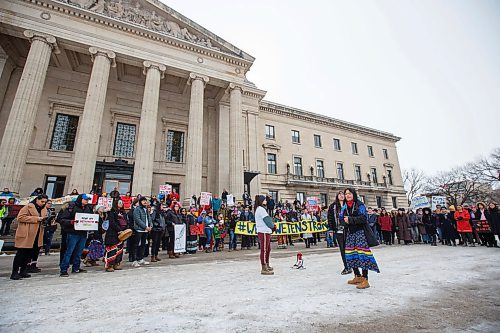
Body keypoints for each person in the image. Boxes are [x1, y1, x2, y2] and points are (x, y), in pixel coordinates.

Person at [340, 188, 380, 289]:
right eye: (346, 194)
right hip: (350, 233)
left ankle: (365, 279)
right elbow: (340, 219)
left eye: (349, 193)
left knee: (362, 254)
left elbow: (363, 218)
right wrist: (345, 221)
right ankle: (357, 276)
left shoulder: (360, 205)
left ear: (353, 194)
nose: (348, 195)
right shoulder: (344, 206)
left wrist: (350, 219)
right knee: (350, 254)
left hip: (360, 232)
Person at [10, 194, 48, 280]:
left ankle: (23, 270)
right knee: (21, 254)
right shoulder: (28, 207)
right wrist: (37, 219)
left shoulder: (44, 209)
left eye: (45, 202)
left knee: (29, 254)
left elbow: (43, 218)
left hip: (37, 234)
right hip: (26, 234)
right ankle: (14, 272)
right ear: (37, 200)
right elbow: (20, 218)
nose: (43, 203)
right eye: (42, 201)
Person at [59, 194, 93, 276]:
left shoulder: (88, 208)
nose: (86, 201)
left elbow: (91, 218)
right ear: (80, 199)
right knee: (69, 251)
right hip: (73, 233)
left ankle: (76, 267)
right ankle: (64, 269)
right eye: (85, 199)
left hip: (83, 233)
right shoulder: (72, 207)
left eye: (87, 199)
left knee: (79, 252)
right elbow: (62, 219)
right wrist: (70, 222)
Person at [327, 191, 351, 275]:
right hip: (338, 230)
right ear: (337, 196)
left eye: (342, 194)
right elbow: (329, 218)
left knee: (350, 248)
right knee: (342, 248)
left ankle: (352, 265)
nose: (341, 196)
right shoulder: (332, 206)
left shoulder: (348, 205)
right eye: (340, 194)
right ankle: (347, 266)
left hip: (348, 229)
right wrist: (330, 229)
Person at [104, 199, 129, 272]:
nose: (121, 204)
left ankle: (116, 263)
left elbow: (126, 221)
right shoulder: (111, 212)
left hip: (122, 233)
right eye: (119, 203)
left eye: (122, 203)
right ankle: (109, 265)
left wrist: (125, 229)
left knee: (119, 249)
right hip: (113, 233)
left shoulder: (123, 213)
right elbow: (112, 222)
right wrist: (119, 230)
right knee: (112, 249)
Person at [254, 195, 275, 275]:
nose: (266, 201)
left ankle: (267, 264)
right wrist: (273, 226)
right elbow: (267, 220)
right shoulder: (261, 209)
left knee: (267, 249)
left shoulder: (259, 209)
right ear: (261, 201)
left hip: (265, 231)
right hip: (264, 231)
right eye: (265, 200)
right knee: (264, 249)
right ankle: (264, 267)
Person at [132, 196, 152, 267]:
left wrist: (150, 226)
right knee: (136, 245)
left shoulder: (146, 209)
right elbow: (137, 219)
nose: (145, 202)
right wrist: (145, 226)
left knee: (143, 245)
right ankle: (134, 260)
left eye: (145, 200)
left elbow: (149, 218)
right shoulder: (137, 209)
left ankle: (140, 258)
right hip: (139, 229)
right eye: (143, 200)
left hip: (145, 230)